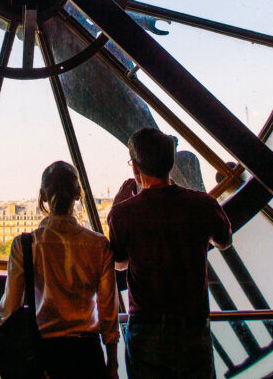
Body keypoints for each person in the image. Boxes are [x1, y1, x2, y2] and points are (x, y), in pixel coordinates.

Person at [107, 129, 232, 379]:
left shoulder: (124, 213)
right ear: (171, 163)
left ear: (135, 169)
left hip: (146, 327)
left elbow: (118, 263)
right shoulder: (202, 204)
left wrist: (117, 206)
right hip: (193, 326)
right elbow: (224, 240)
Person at [0, 161, 120, 378]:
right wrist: (112, 364)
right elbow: (108, 313)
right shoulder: (99, 245)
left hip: (43, 354)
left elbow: (10, 310)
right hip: (87, 355)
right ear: (77, 194)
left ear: (43, 196)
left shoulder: (25, 245)